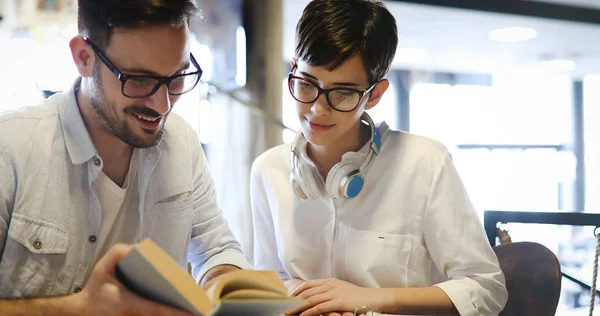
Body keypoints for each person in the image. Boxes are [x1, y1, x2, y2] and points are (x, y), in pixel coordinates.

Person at [249, 1, 508, 315]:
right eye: (306, 84)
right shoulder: (268, 170)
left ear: (374, 95)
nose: (318, 108)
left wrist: (366, 298)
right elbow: (272, 277)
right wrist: (296, 293)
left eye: (342, 93)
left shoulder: (424, 162)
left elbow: (485, 288)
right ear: (293, 69)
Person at [0, 0, 249, 314]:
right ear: (83, 57)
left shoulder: (181, 143)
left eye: (177, 77)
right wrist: (78, 309)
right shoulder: (10, 150)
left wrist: (220, 285)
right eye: (140, 80)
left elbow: (217, 249)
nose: (163, 105)